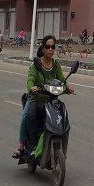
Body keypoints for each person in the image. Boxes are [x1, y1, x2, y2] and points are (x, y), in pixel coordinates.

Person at [13, 34, 70, 162]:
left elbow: (61, 80)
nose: (50, 49)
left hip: (50, 99)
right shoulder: (36, 63)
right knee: (27, 116)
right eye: (47, 47)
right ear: (43, 49)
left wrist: (67, 88)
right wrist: (31, 87)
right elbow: (30, 79)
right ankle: (24, 146)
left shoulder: (56, 64)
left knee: (62, 116)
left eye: (52, 47)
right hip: (36, 98)